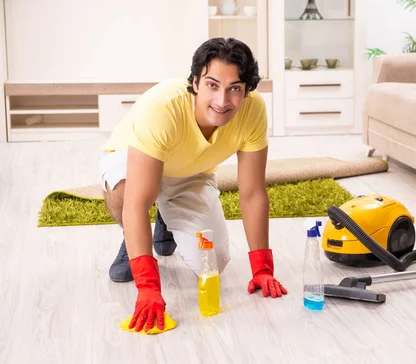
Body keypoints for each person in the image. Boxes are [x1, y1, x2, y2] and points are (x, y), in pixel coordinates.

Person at [98, 37, 288, 333]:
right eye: (213, 85)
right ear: (195, 81)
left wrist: (262, 268)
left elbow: (252, 193)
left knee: (212, 262)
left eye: (234, 89)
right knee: (128, 195)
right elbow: (136, 202)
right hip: (133, 161)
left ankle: (165, 217)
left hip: (190, 172)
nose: (222, 101)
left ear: (247, 90)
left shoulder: (254, 112)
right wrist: (148, 289)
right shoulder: (162, 107)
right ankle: (133, 239)